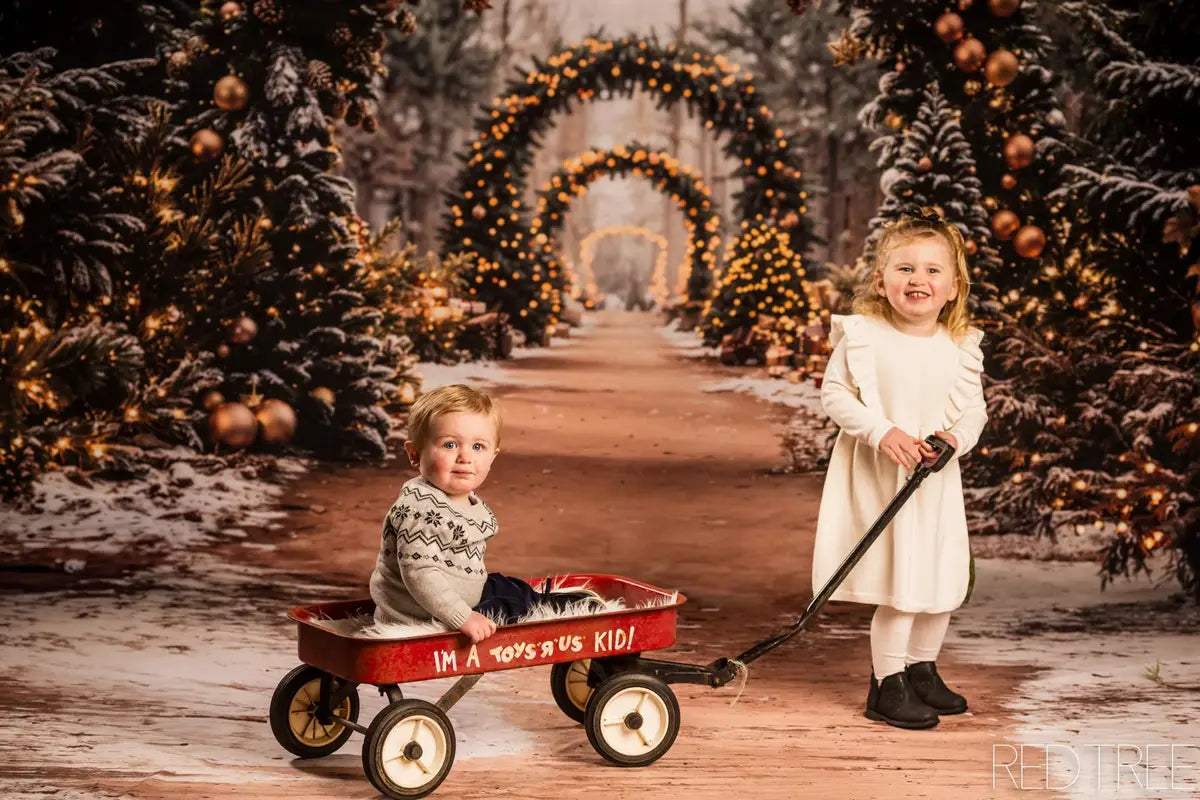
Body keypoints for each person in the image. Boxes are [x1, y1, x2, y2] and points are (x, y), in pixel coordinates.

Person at [811, 210, 989, 730]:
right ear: (880, 281)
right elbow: (836, 394)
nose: (919, 280)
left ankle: (922, 669)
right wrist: (881, 432)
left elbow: (973, 411)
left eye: (934, 271)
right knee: (902, 584)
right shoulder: (865, 337)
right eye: (905, 268)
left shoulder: (959, 348)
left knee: (942, 580)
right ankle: (886, 684)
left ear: (954, 287)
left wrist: (953, 440)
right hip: (881, 476)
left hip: (933, 483)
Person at [369, 384, 597, 644]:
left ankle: (547, 604)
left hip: (457, 598)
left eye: (478, 447)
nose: (465, 457)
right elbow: (419, 573)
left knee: (506, 586)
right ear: (414, 454)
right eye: (450, 444)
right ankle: (557, 614)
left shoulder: (458, 501)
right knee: (509, 606)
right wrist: (463, 617)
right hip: (421, 614)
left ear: (493, 457)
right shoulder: (421, 509)